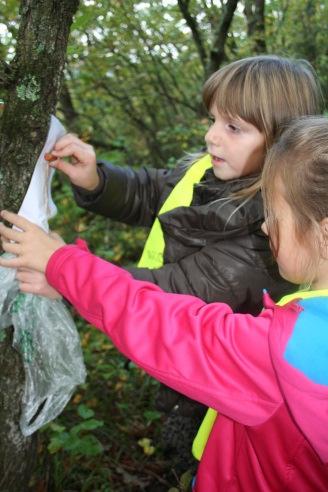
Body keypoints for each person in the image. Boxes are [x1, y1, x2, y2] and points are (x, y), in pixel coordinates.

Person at [15, 55, 323, 470]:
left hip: (203, 390)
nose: (213, 136)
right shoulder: (209, 170)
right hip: (190, 365)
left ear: (282, 141)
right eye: (212, 119)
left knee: (189, 452)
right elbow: (155, 190)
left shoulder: (259, 242)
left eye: (233, 127)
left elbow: (166, 304)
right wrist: (97, 179)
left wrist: (66, 270)